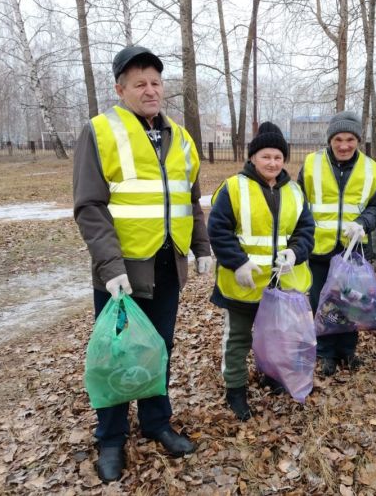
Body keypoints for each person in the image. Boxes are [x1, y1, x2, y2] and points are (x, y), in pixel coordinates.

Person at [73, 46, 212, 482]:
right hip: (122, 272)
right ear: (121, 89)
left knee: (160, 348)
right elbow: (89, 206)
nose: (150, 90)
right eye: (140, 84)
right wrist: (110, 265)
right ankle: (110, 437)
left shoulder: (181, 137)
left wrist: (202, 248)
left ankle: (156, 423)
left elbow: (191, 200)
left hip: (167, 263)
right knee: (117, 354)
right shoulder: (100, 132)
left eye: (155, 82)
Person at [208, 122, 314, 421]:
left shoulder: (294, 191)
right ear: (253, 157)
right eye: (266, 156)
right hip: (242, 284)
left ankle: (270, 374)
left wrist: (295, 252)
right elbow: (218, 230)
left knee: (276, 335)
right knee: (239, 339)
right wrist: (238, 261)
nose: (272, 163)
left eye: (278, 157)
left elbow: (305, 229)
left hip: (280, 285)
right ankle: (236, 390)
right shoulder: (233, 188)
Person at [298, 111, 376, 377]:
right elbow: (298, 203)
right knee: (322, 303)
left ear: (358, 140)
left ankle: (348, 352)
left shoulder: (370, 168)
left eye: (350, 139)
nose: (344, 145)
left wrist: (362, 223)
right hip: (319, 249)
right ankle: (325, 353)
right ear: (330, 140)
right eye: (338, 139)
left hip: (352, 251)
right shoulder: (312, 164)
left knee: (350, 304)